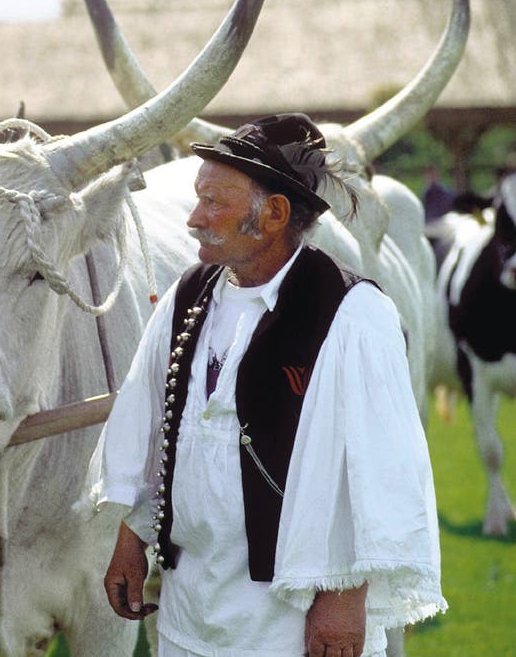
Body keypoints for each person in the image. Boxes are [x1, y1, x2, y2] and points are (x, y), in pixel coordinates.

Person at [86, 113, 446, 657]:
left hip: (291, 620)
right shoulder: (188, 297)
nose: (193, 219)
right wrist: (131, 539)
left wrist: (344, 597)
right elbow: (149, 424)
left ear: (274, 213)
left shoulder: (352, 314)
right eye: (197, 198)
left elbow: (382, 468)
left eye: (214, 203)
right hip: (191, 612)